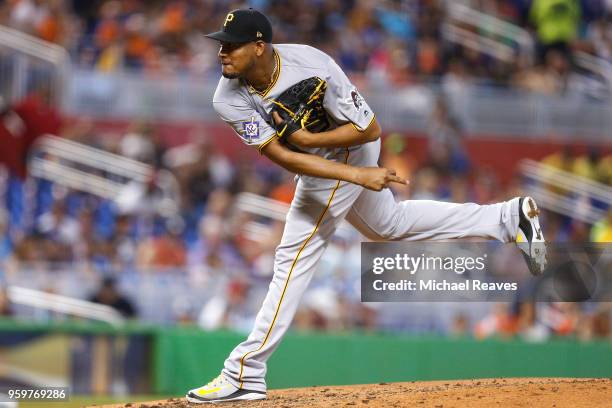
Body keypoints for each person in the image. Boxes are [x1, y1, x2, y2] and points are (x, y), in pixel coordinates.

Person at [186, 8, 547, 403]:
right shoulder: (227, 97)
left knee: (293, 256)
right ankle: (507, 218)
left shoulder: (312, 65)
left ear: (259, 46)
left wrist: (351, 167)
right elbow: (283, 156)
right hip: (324, 162)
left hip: (353, 144)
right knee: (388, 225)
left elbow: (369, 129)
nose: (222, 53)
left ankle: (244, 371)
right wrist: (319, 153)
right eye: (221, 44)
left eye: (231, 45)